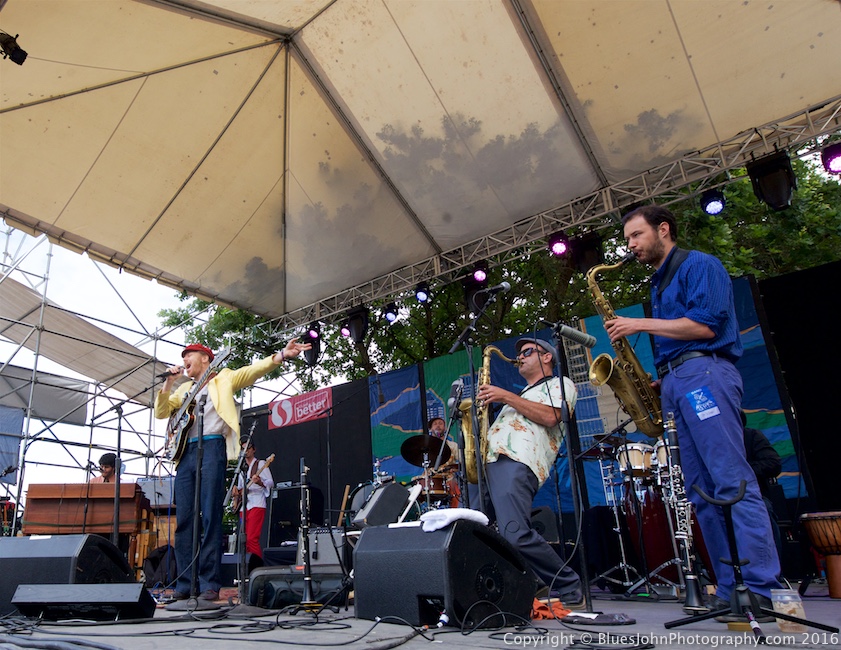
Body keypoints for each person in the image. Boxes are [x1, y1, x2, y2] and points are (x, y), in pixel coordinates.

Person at [605, 204, 781, 620]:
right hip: (678, 381)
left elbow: (704, 327)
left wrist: (639, 326)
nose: (630, 246)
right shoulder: (658, 284)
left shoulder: (701, 264)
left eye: (635, 236)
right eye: (628, 239)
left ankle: (761, 588)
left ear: (663, 229)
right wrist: (661, 380)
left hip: (705, 373)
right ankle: (727, 588)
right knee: (701, 493)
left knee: (732, 482)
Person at [154, 339, 310, 602]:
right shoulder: (183, 390)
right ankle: (184, 583)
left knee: (211, 516)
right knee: (185, 521)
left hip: (213, 446)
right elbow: (161, 412)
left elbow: (251, 371)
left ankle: (208, 584)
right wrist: (168, 383)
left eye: (188, 355)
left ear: (205, 357)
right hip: (184, 454)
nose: (184, 361)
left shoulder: (222, 379)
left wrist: (281, 354)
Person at [473, 337, 583, 606]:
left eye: (527, 352)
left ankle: (568, 585)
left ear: (547, 357)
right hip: (490, 462)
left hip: (518, 462)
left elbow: (551, 417)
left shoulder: (561, 384)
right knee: (475, 531)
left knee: (515, 532)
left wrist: (504, 396)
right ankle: (532, 583)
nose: (520, 357)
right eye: (520, 353)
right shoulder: (522, 394)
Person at [742, 411, 783, 565]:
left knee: (763, 511)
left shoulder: (751, 436)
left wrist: (741, 470)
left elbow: (773, 463)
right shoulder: (715, 442)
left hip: (754, 495)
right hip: (720, 498)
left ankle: (773, 570)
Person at [231, 436, 274, 574]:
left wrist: (259, 482)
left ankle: (258, 570)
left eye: (248, 448)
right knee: (244, 539)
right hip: (244, 506)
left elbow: (271, 483)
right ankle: (247, 571)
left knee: (251, 539)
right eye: (243, 448)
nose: (246, 451)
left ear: (253, 449)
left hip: (257, 503)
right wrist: (235, 493)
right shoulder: (242, 467)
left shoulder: (261, 464)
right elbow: (240, 488)